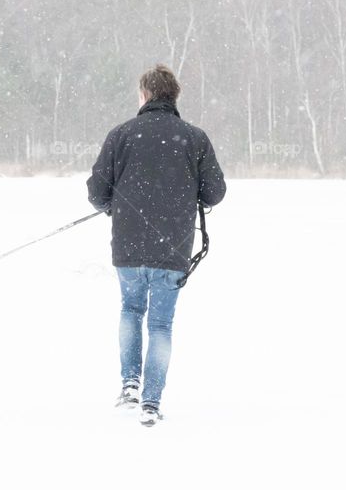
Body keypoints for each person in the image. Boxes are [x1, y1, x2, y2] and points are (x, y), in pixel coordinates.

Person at [87, 65, 226, 427]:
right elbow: (216, 192)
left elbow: (96, 191)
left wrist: (111, 206)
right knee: (161, 325)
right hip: (173, 247)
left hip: (129, 245)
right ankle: (151, 401)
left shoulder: (122, 135)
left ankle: (130, 383)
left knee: (131, 310)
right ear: (174, 96)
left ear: (145, 95)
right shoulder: (194, 138)